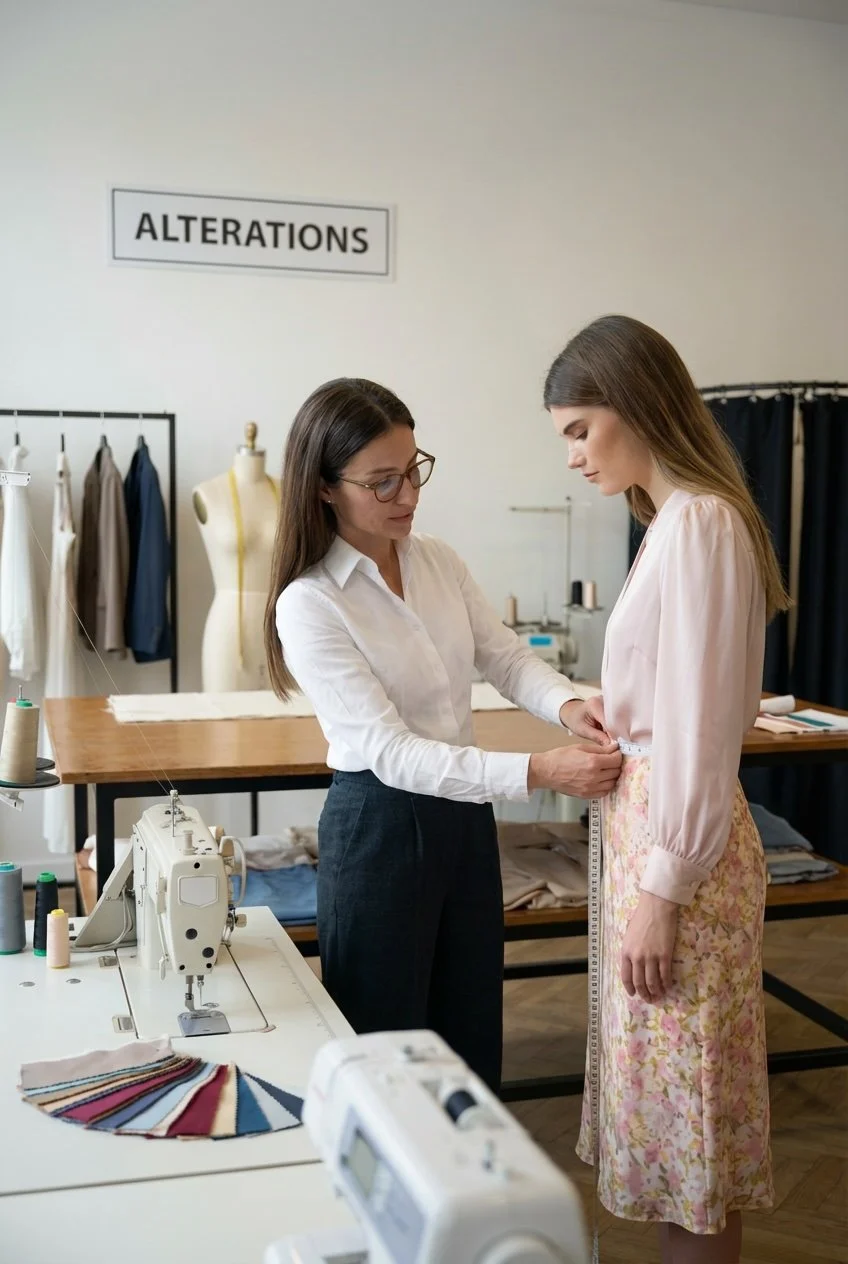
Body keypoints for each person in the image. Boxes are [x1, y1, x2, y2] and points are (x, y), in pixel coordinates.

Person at [265, 378, 622, 1091]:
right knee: (383, 1042)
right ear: (326, 489)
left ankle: (474, 1185)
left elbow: (505, 656)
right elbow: (393, 754)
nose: (407, 496)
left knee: (469, 1024)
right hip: (379, 826)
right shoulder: (309, 603)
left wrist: (569, 705)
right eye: (382, 482)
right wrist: (540, 773)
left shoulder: (436, 560)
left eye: (414, 470)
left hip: (461, 819)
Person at [544, 316, 787, 1264]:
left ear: (638, 405)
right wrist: (619, 704)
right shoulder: (675, 522)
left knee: (691, 1118)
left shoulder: (700, 525)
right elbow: (678, 697)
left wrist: (664, 889)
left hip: (676, 850)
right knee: (668, 1106)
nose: (573, 455)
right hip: (656, 837)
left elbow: (696, 730)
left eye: (579, 429)